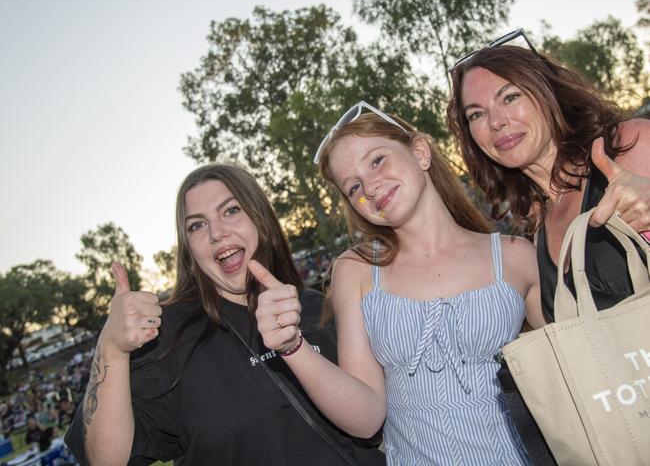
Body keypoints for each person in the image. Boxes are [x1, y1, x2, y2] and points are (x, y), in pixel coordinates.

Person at [252, 102, 545, 465]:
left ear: (420, 152)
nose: (370, 187)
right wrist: (293, 346)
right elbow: (366, 418)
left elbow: (571, 377)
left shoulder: (515, 256)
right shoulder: (356, 271)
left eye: (377, 160)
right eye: (353, 186)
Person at [64, 164, 385, 466]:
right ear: (189, 249)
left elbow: (374, 420)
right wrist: (111, 348)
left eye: (231, 210)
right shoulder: (167, 337)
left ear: (260, 218)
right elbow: (104, 460)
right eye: (197, 225)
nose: (216, 233)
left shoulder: (317, 307)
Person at [446, 29, 650, 321]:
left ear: (546, 92)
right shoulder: (533, 225)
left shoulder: (628, 146)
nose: (496, 122)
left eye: (510, 97)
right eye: (476, 114)